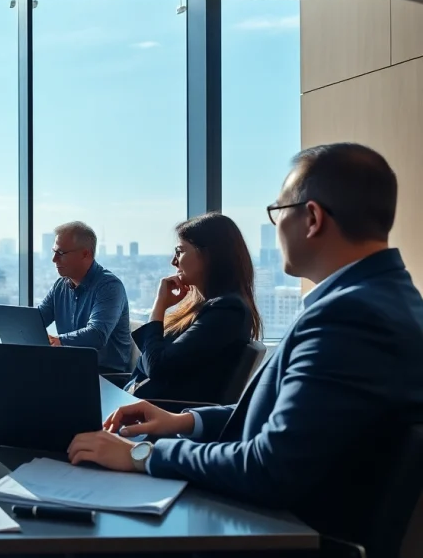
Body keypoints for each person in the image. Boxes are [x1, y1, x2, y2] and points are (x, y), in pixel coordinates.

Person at [66, 143, 423, 547]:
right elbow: (289, 416)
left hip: (281, 533)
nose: (275, 226)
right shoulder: (385, 299)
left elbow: (268, 468)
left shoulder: (351, 317)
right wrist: (183, 422)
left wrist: (141, 456)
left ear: (311, 218)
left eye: (277, 212)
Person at [125, 212, 261, 402]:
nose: (174, 261)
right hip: (142, 405)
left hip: (159, 416)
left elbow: (157, 367)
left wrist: (159, 307)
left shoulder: (227, 311)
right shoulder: (207, 307)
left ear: (209, 255)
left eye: (180, 251)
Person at [37, 221, 132, 372]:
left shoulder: (109, 286)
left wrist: (59, 341)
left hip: (104, 375)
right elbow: (38, 319)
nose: (54, 259)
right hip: (70, 368)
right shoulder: (60, 286)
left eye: (60, 253)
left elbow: (97, 335)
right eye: (54, 251)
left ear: (85, 254)